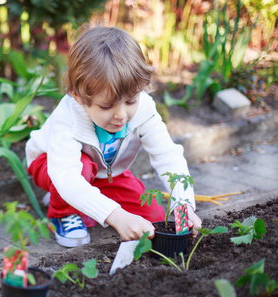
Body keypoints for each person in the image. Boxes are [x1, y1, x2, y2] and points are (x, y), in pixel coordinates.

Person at [25, 26, 202, 248]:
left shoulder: (145, 110)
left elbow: (167, 156)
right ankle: (63, 212)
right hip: (53, 165)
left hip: (106, 173)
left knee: (154, 217)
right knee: (82, 169)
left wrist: (183, 206)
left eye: (131, 101)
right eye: (107, 105)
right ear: (78, 97)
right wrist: (117, 217)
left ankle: (83, 202)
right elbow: (67, 178)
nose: (121, 115)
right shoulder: (68, 119)